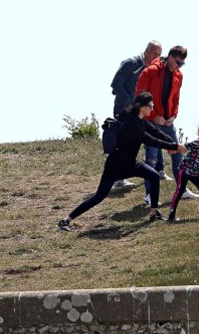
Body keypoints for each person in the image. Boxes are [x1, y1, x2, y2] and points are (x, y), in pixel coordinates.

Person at [57, 92, 187, 231]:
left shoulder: (140, 120)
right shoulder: (132, 124)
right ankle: (66, 220)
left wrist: (173, 143)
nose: (152, 109)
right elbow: (151, 140)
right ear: (142, 107)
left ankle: (154, 213)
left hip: (130, 163)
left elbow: (156, 132)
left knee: (154, 176)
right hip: (116, 165)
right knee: (99, 196)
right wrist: (175, 147)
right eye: (150, 106)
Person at [135, 45, 199, 204]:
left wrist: (173, 115)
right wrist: (154, 115)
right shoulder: (150, 71)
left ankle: (182, 189)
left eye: (182, 64)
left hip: (167, 122)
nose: (179, 66)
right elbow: (139, 96)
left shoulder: (178, 75)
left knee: (178, 153)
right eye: (178, 62)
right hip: (150, 122)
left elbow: (176, 99)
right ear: (170, 57)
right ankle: (149, 195)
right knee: (151, 160)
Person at [110, 40, 162, 190]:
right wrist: (129, 102)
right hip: (124, 110)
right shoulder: (131, 63)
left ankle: (158, 170)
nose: (156, 57)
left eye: (159, 55)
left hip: (140, 112)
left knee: (148, 138)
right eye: (154, 53)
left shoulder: (152, 69)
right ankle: (117, 179)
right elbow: (115, 84)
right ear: (146, 51)